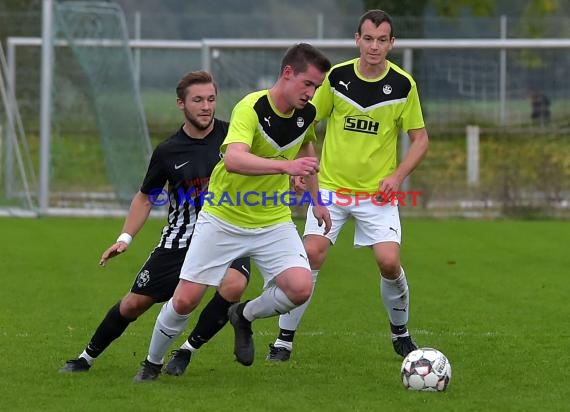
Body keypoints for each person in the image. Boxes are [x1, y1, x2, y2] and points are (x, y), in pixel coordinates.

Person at [133, 43, 332, 382]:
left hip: (272, 220)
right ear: (287, 74)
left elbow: (306, 147)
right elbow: (235, 159)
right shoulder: (251, 107)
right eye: (308, 84)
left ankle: (243, 315)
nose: (312, 93)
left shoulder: (306, 113)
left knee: (300, 288)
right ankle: (151, 364)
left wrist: (316, 199)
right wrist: (285, 169)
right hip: (223, 218)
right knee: (185, 300)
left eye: (316, 87)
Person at [59, 70, 251, 375]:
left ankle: (186, 351)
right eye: (198, 100)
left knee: (235, 283)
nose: (206, 106)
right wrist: (125, 238)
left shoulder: (233, 140)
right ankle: (86, 358)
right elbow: (146, 197)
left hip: (227, 236)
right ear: (180, 104)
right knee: (133, 305)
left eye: (211, 99)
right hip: (180, 240)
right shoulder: (168, 151)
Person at [267, 9, 429, 362]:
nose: (374, 46)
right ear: (357, 39)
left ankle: (400, 333)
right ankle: (284, 339)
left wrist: (398, 176)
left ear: (392, 43)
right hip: (331, 190)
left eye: (381, 40)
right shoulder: (337, 78)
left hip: (377, 194)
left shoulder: (403, 85)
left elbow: (420, 139)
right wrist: (297, 164)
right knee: (310, 255)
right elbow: (304, 119)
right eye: (368, 38)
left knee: (389, 262)